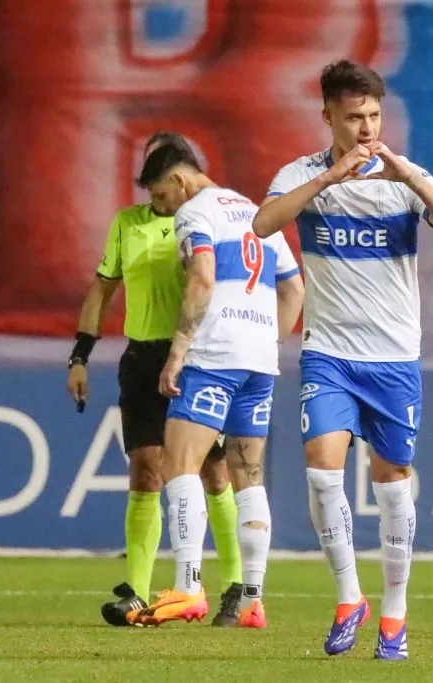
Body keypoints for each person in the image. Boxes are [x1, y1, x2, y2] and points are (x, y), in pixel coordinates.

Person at [252, 59, 433, 659]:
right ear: (328, 117)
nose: (366, 127)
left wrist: (413, 181)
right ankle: (349, 597)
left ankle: (395, 615)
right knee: (322, 467)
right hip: (329, 353)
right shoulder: (301, 175)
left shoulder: (404, 179)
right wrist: (327, 183)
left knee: (391, 484)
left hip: (395, 358)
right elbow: (262, 223)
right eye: (353, 117)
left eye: (374, 115)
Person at [67, 132, 246, 627]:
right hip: (142, 360)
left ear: (179, 173)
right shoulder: (128, 224)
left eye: (159, 179)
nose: (154, 192)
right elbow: (102, 288)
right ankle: (139, 593)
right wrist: (79, 356)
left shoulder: (210, 218)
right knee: (146, 472)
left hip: (196, 359)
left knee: (213, 472)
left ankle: (238, 586)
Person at [131, 140, 304, 627]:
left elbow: (202, 277)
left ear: (180, 181)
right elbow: (294, 289)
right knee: (249, 477)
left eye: (160, 195)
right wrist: (268, 343)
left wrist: (179, 351)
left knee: (179, 464)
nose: (159, 206)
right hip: (258, 361)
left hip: (213, 355)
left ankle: (187, 587)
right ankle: (252, 598)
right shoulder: (257, 213)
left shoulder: (196, 213)